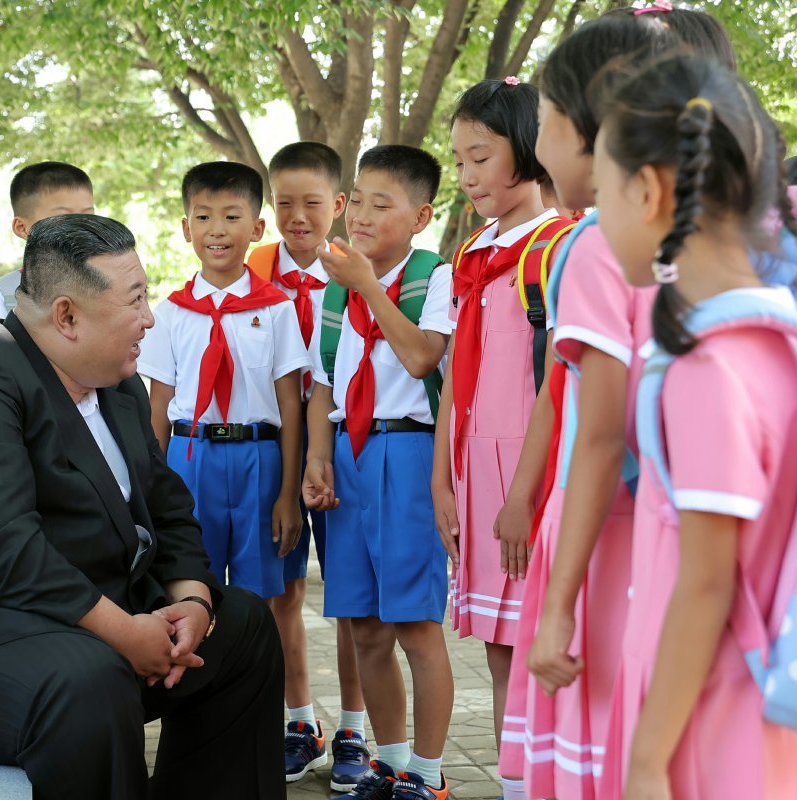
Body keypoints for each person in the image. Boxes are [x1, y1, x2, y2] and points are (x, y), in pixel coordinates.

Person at [0, 213, 286, 800]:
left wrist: (191, 602)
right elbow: (0, 547)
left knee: (245, 626)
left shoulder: (117, 382)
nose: (150, 319)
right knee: (89, 683)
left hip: (101, 625)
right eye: (136, 301)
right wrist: (127, 635)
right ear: (67, 316)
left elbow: (167, 505)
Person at [495, 9, 738, 800]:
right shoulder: (712, 235)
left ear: (589, 130)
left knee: (598, 740)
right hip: (671, 525)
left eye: (546, 124)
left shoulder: (597, 246)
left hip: (601, 539)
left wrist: (556, 605)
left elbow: (598, 436)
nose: (539, 146)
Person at [592, 54, 797, 800]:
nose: (599, 215)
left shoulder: (706, 371)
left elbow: (707, 584)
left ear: (647, 191)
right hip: (766, 710)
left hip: (710, 728)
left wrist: (648, 761)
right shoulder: (778, 336)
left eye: (602, 192)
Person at [430, 77, 572, 800]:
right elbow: (455, 372)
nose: (467, 177)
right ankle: (517, 783)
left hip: (533, 472)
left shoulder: (561, 245)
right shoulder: (472, 251)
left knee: (544, 639)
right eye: (458, 161)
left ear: (529, 146)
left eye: (480, 158)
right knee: (496, 640)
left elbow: (561, 382)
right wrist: (441, 477)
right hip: (475, 465)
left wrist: (524, 494)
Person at [303, 144, 455, 799]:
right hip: (348, 454)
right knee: (362, 626)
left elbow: (422, 357)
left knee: (416, 624)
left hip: (410, 451)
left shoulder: (434, 276)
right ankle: (387, 766)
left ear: (420, 216)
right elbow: (319, 388)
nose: (361, 214)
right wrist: (315, 458)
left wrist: (367, 284)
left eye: (381, 204)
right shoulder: (329, 293)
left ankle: (428, 772)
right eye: (356, 199)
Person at [247, 141, 370, 790]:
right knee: (281, 593)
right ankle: (300, 722)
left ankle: (353, 728)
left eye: (313, 203)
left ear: (339, 206)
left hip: (342, 451)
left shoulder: (357, 273)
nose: (298, 216)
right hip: (273, 449)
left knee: (349, 599)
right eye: (285, 203)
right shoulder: (251, 274)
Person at [140, 161, 305, 607]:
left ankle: (256, 676)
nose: (217, 229)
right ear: (185, 227)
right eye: (203, 216)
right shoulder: (169, 314)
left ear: (256, 228)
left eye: (232, 217)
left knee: (258, 599)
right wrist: (153, 495)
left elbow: (291, 406)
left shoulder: (276, 310)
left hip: (259, 459)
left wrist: (288, 495)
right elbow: (158, 408)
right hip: (189, 460)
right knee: (192, 588)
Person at [0, 161, 95, 329]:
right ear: (22, 228)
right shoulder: (1, 308)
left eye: (88, 216)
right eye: (63, 217)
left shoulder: (116, 290)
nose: (79, 226)